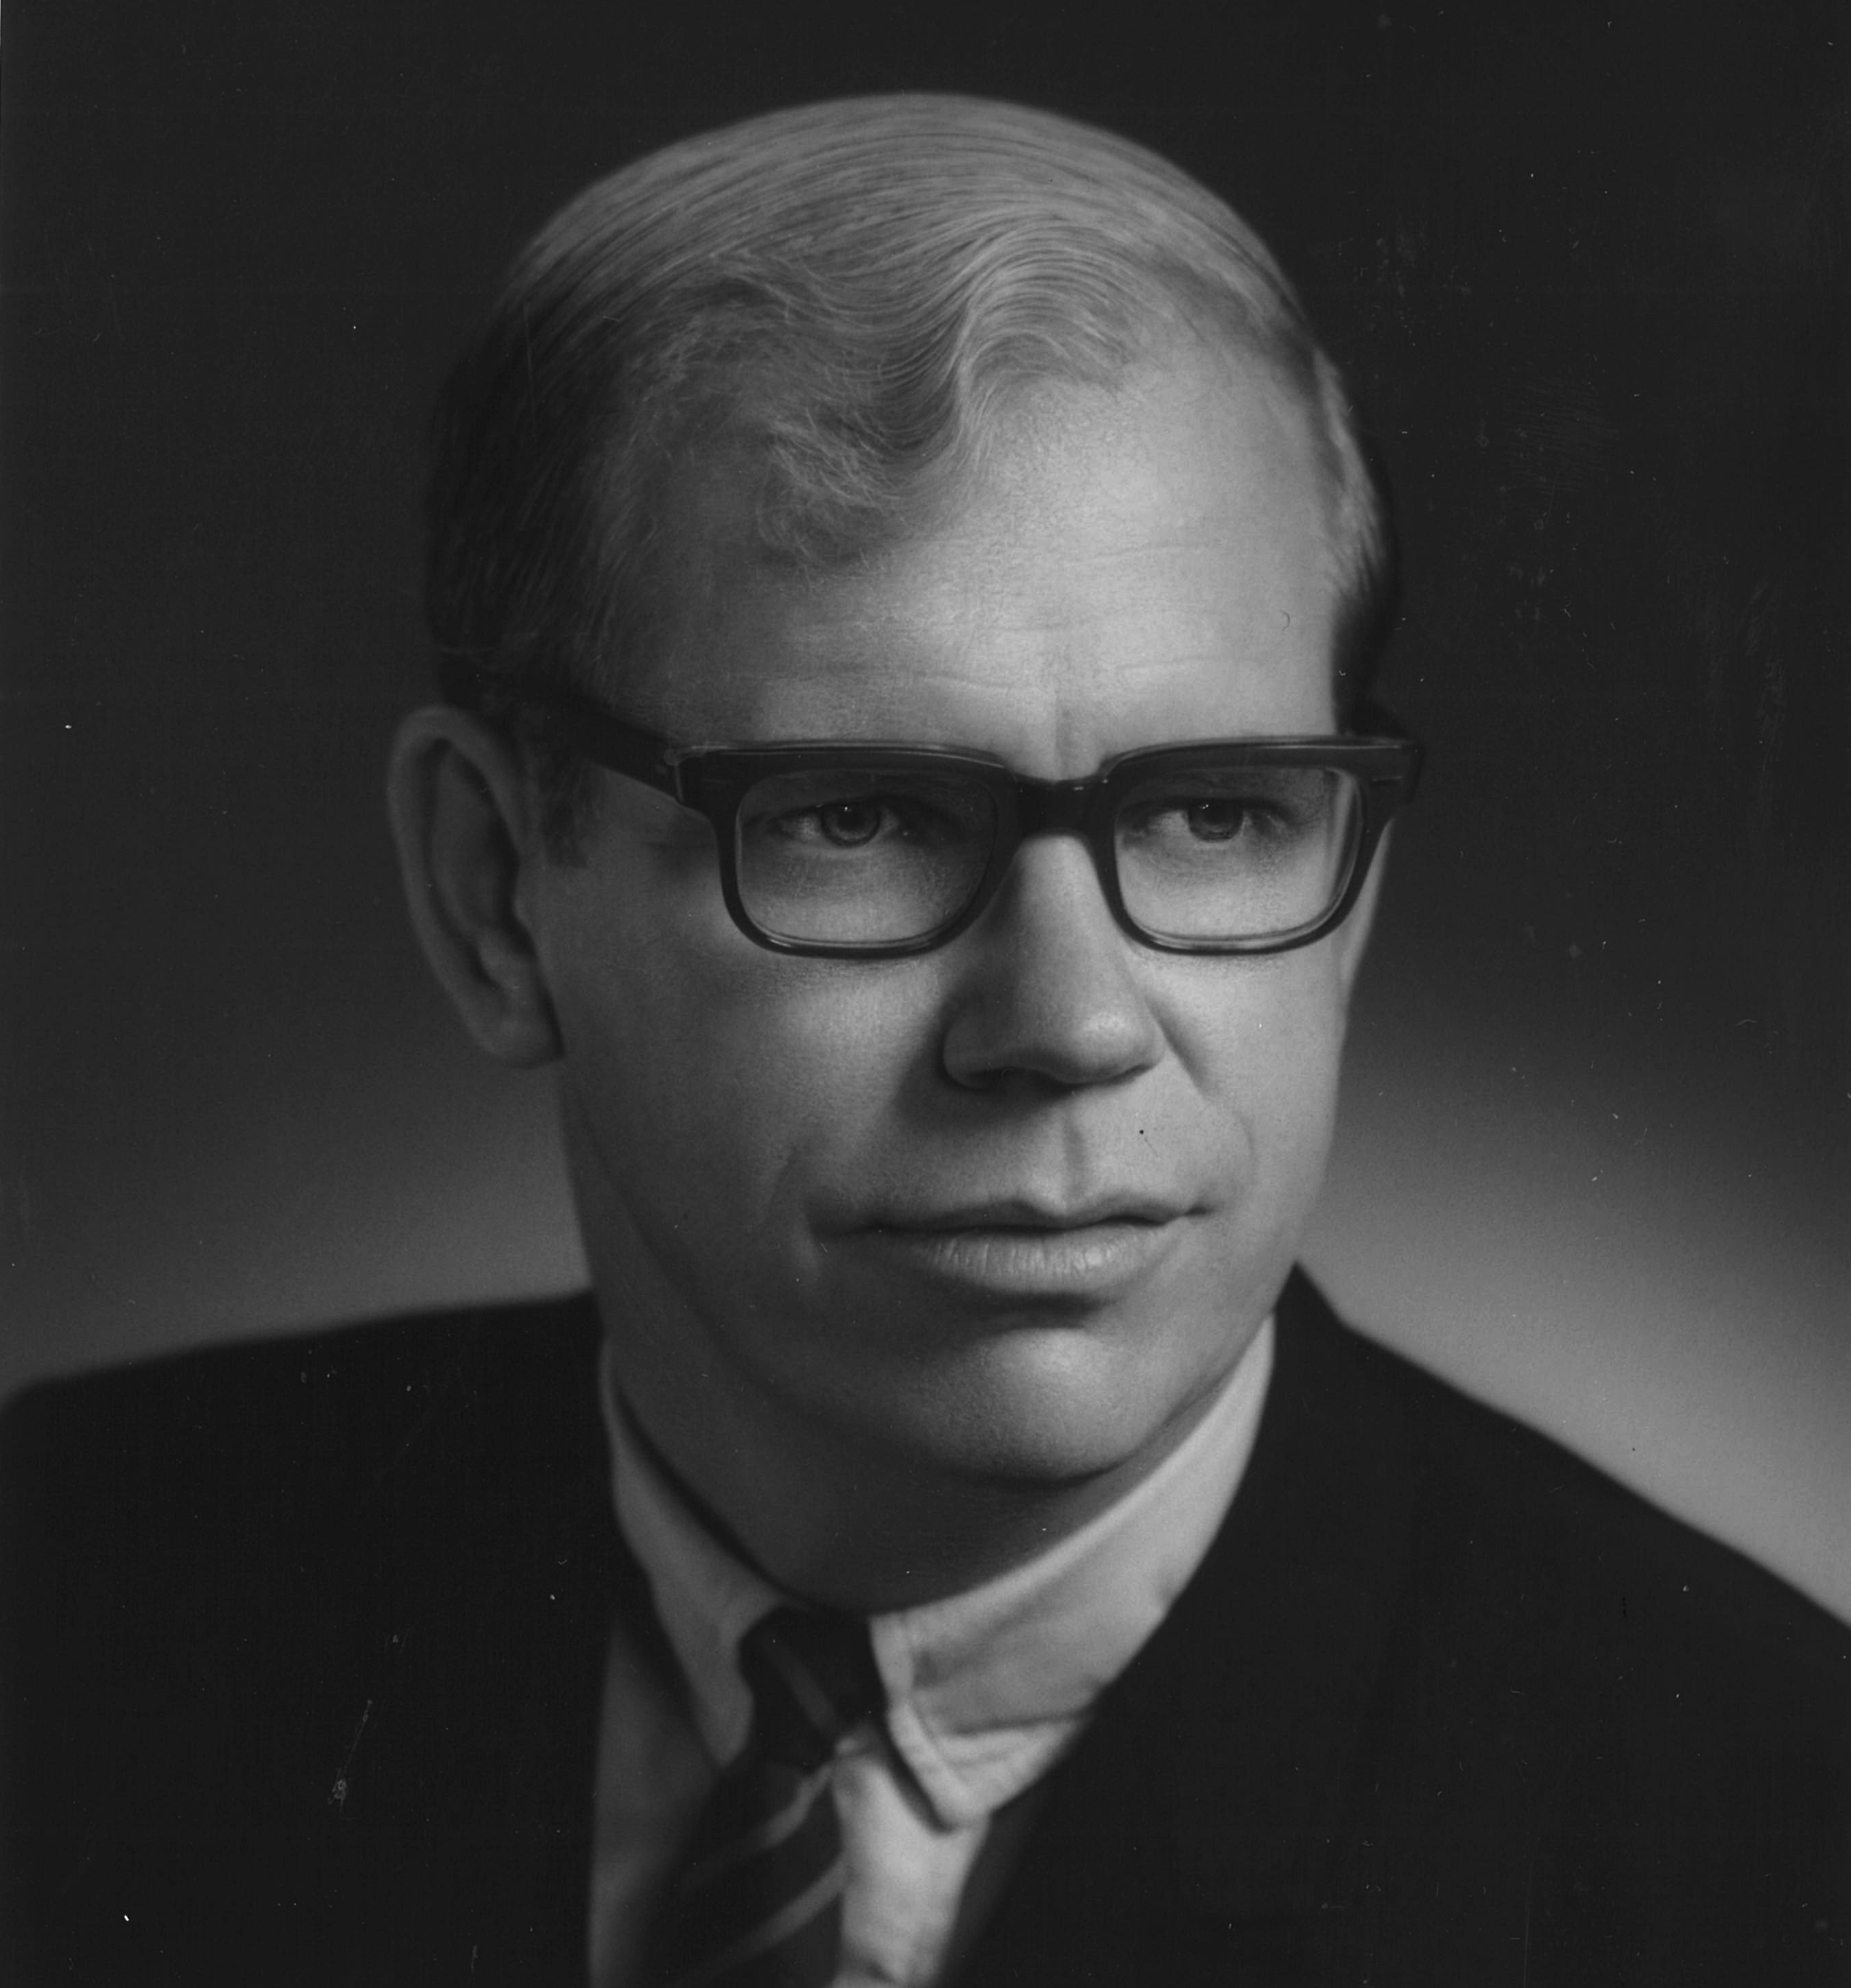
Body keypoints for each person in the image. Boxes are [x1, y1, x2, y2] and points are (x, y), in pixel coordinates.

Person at [2, 94, 1846, 1988]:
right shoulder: (62, 1608)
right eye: (858, 816)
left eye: (1216, 812)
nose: (1067, 1025)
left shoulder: (1775, 1851)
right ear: (494, 891)